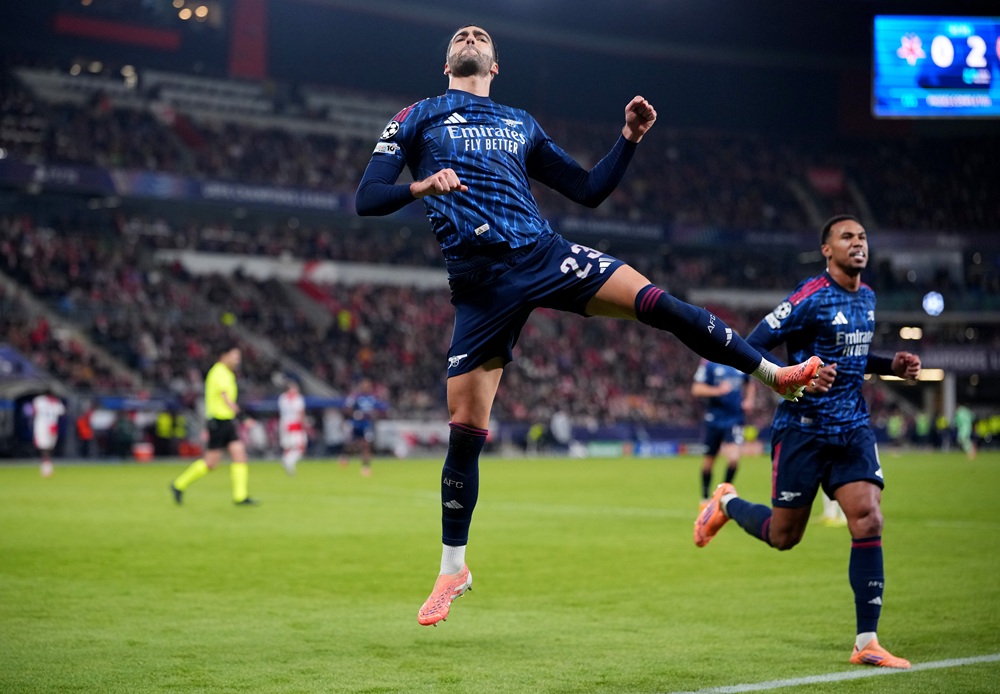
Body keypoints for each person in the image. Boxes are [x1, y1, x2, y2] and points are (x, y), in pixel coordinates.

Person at [355, 24, 821, 627]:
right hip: (479, 285)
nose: (470, 36)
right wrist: (421, 184)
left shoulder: (521, 123)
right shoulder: (415, 116)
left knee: (657, 301)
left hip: (543, 254)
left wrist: (627, 138)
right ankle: (453, 568)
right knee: (464, 430)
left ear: (495, 64)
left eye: (481, 35)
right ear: (449, 58)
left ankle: (771, 371)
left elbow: (588, 189)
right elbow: (368, 197)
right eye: (461, 33)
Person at [693, 215, 921, 669]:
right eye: (846, 237)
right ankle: (726, 503)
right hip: (802, 429)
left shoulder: (869, 297)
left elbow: (854, 357)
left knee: (868, 518)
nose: (857, 244)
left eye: (862, 237)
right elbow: (749, 345)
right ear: (826, 250)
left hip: (853, 427)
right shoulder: (808, 298)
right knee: (784, 536)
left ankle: (866, 642)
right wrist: (796, 378)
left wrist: (888, 364)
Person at [169, 346, 258, 506]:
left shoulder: (226, 373)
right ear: (224, 355)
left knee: (240, 456)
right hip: (219, 422)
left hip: (227, 421)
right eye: (234, 356)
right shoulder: (219, 373)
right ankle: (178, 484)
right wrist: (243, 417)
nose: (237, 361)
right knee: (211, 463)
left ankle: (240, 496)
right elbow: (226, 398)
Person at [691, 359, 754, 509]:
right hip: (714, 419)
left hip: (735, 419)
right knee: (709, 462)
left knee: (733, 459)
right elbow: (696, 389)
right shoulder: (709, 363)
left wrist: (749, 400)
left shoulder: (741, 361)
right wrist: (717, 390)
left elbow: (750, 382)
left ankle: (723, 495)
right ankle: (705, 498)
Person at [343, 378, 384, 477]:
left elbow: (378, 410)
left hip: (366, 424)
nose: (366, 388)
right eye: (364, 386)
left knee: (366, 445)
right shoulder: (355, 397)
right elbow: (346, 409)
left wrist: (374, 415)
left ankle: (366, 467)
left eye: (367, 386)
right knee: (352, 445)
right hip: (356, 424)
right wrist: (355, 414)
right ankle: (345, 456)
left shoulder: (373, 398)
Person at [31, 389, 65, 478]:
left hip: (41, 427)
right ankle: (48, 468)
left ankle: (46, 469)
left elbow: (34, 412)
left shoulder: (38, 400)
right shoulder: (56, 401)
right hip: (52, 426)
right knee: (49, 448)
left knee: (44, 449)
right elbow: (62, 412)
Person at [278, 379, 307, 475]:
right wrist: (304, 425)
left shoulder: (282, 398)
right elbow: (300, 413)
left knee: (288, 447)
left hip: (284, 424)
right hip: (295, 424)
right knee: (300, 447)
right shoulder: (297, 398)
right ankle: (288, 461)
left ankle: (287, 462)